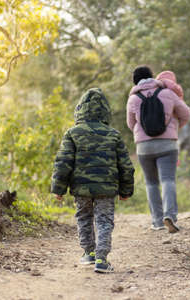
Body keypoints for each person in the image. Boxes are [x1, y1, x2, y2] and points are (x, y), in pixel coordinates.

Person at [51, 88, 134, 273]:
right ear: (105, 111)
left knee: (84, 217)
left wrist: (58, 188)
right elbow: (126, 166)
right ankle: (102, 259)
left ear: (80, 110)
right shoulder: (113, 134)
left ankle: (88, 252)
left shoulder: (73, 133)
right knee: (104, 221)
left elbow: (63, 162)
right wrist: (126, 191)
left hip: (81, 188)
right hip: (107, 188)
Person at [126, 66, 190, 233]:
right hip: (167, 144)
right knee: (168, 180)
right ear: (152, 77)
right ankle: (170, 215)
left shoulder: (133, 99)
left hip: (144, 147)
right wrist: (174, 128)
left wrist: (142, 133)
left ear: (135, 81)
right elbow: (186, 113)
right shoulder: (167, 93)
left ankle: (157, 221)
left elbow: (131, 124)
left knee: (151, 183)